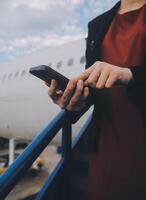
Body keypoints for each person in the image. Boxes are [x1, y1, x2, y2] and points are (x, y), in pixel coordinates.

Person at [47, 0, 146, 199]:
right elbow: (95, 85)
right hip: (107, 141)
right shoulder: (98, 24)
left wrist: (131, 75)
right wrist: (75, 99)